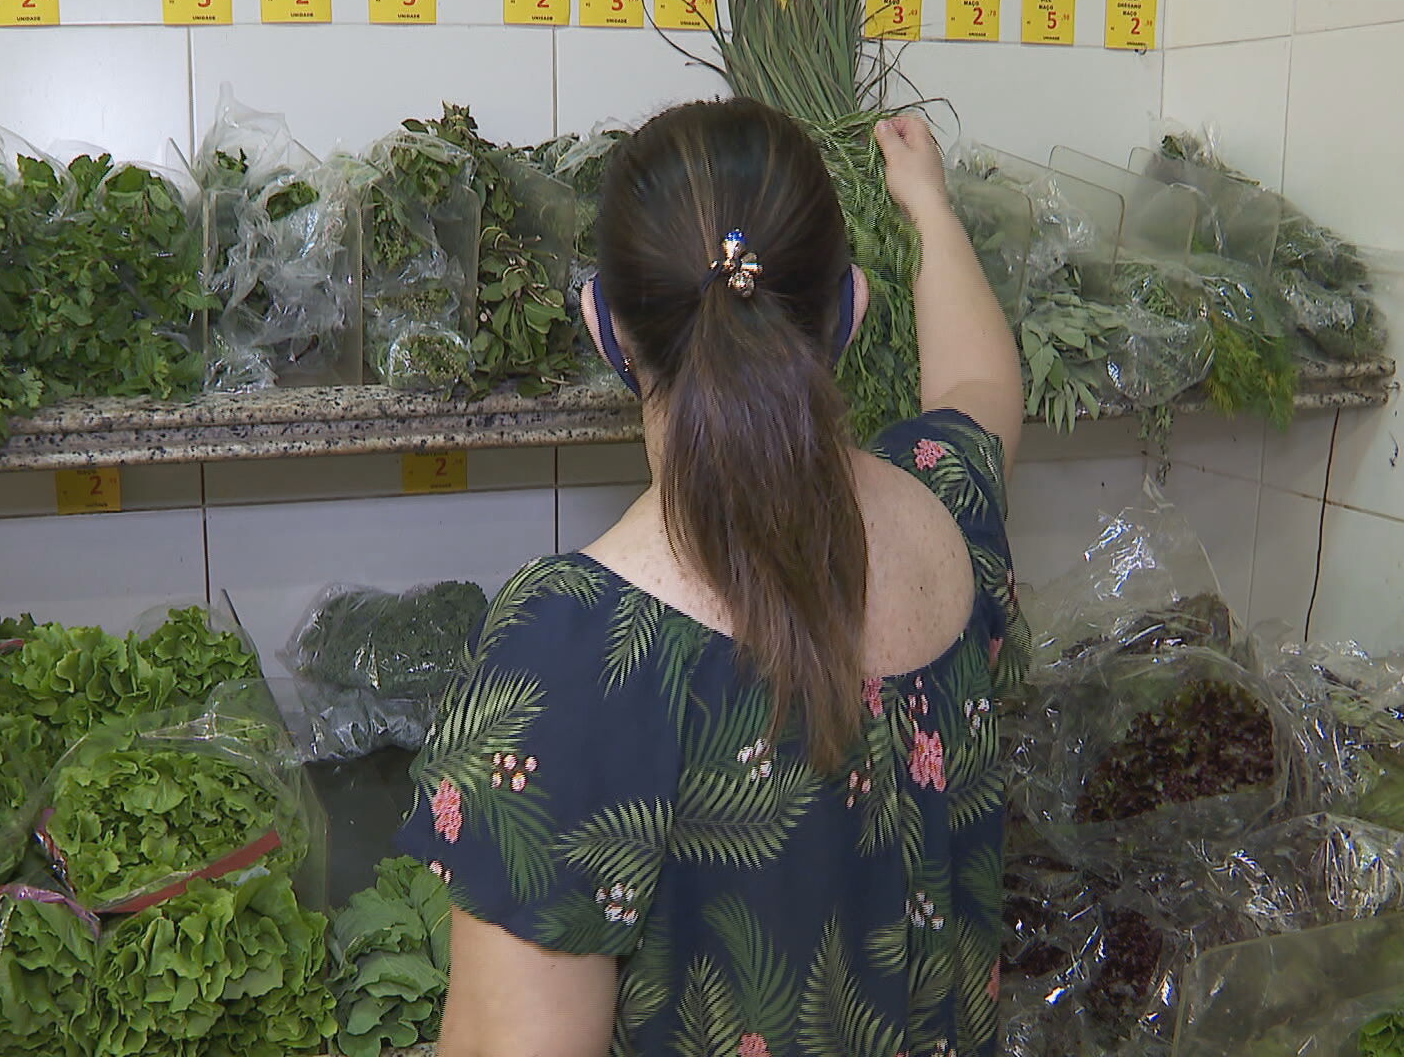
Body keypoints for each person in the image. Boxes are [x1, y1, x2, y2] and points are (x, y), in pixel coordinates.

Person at [395, 97, 1029, 1057]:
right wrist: (930, 206)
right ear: (851, 309)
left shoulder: (576, 653)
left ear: (605, 328)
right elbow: (981, 390)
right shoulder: (949, 517)